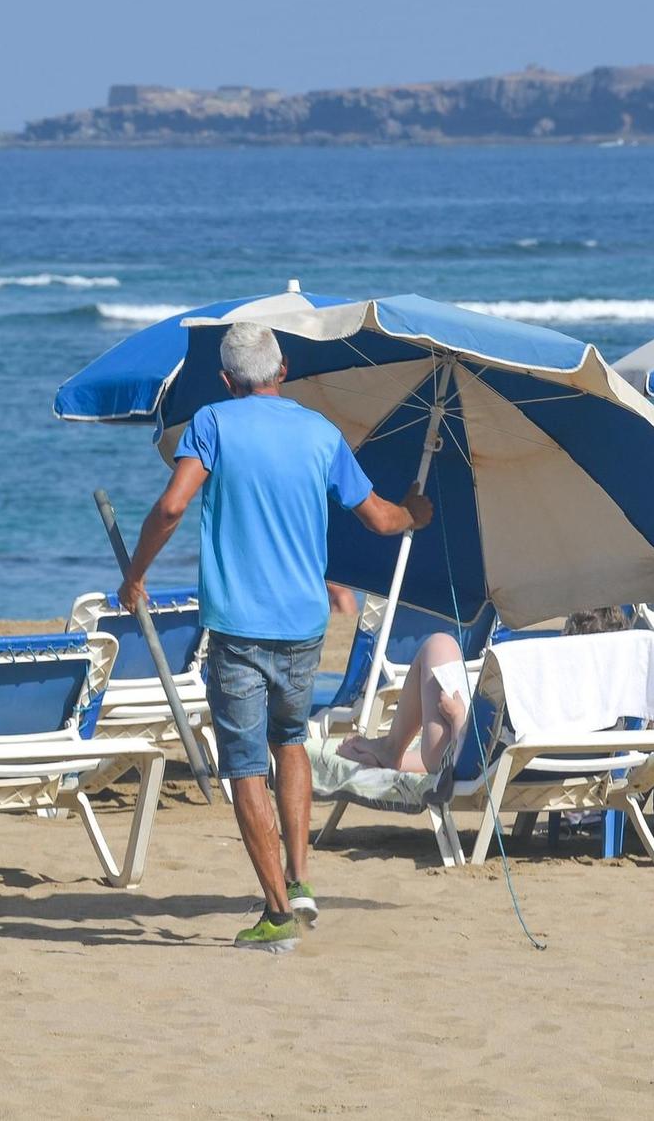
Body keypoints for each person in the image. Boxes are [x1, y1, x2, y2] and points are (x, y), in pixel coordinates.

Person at [118, 321, 432, 954]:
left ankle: (278, 913)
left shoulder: (212, 422)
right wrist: (414, 515)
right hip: (303, 625)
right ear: (282, 368)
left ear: (227, 380)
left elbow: (174, 506)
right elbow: (377, 517)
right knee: (290, 741)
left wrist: (136, 574)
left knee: (244, 767)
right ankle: (301, 879)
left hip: (237, 626)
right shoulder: (320, 432)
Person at [335, 607, 630, 776]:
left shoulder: (552, 694)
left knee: (440, 644)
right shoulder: (614, 706)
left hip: (486, 769)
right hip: (555, 773)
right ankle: (387, 754)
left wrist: (459, 717)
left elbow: (502, 750)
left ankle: (388, 748)